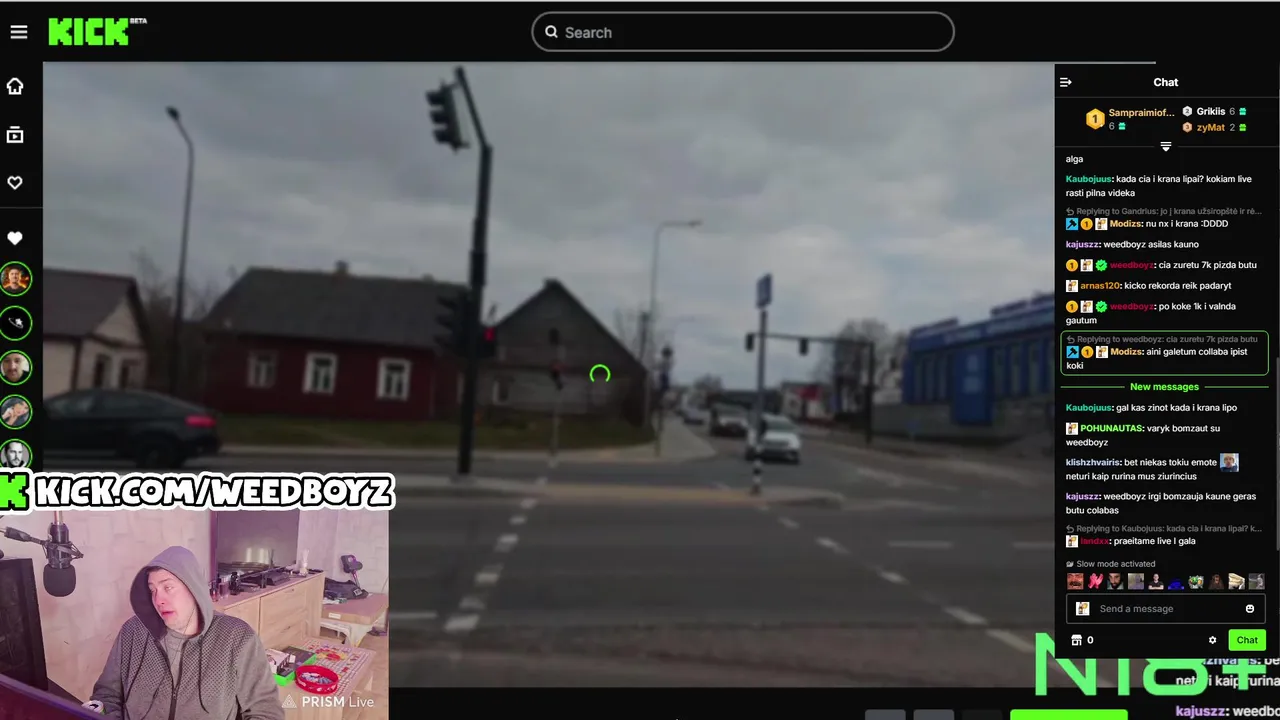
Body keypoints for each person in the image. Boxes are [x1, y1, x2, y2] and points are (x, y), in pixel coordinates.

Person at [90, 546, 284, 720]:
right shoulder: (132, 632)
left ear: (193, 588)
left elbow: (266, 712)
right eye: (153, 590)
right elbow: (106, 696)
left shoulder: (237, 638)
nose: (158, 600)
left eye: (168, 587)